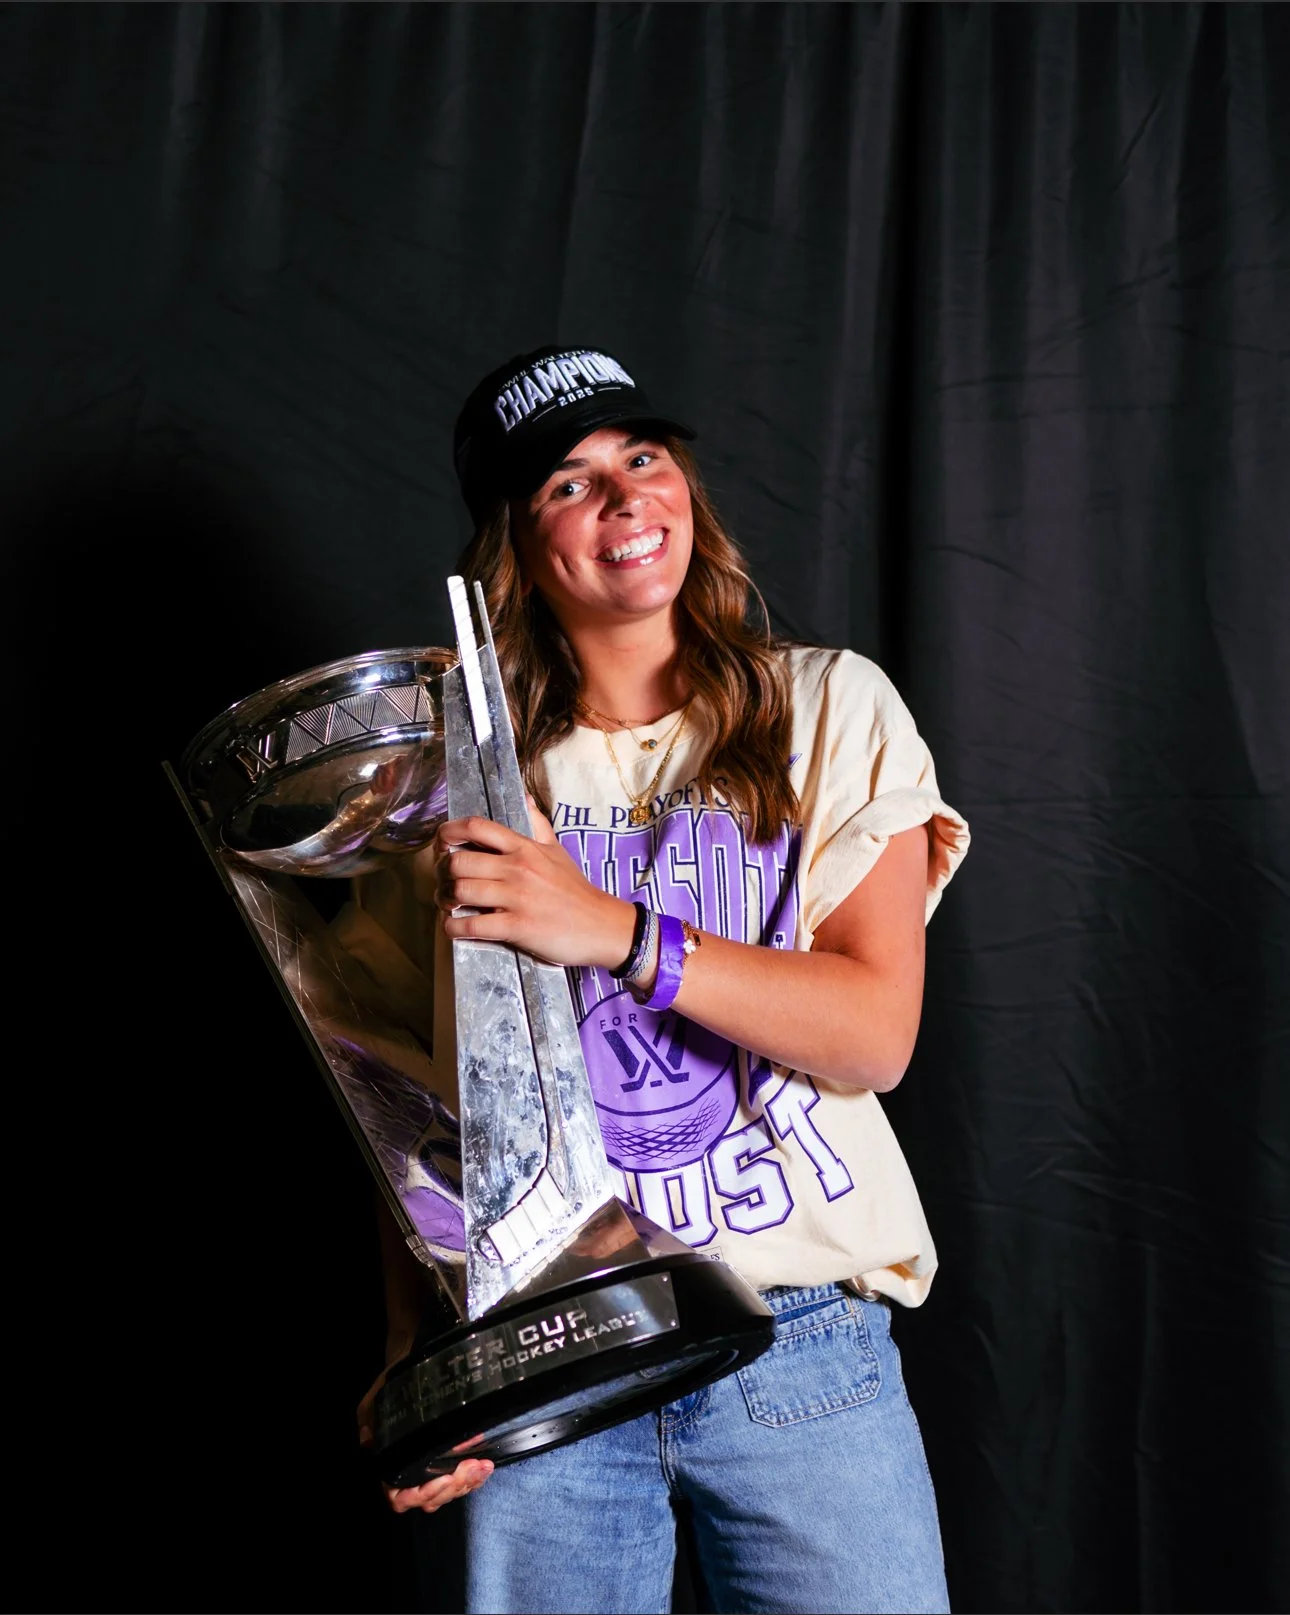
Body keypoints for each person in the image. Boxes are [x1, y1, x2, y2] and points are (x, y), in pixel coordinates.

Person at [351, 344, 970, 1615]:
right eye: (570, 485)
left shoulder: (832, 708)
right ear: (518, 549)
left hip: (799, 1336)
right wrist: (423, 1368)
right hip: (548, 1352)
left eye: (642, 457)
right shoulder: (456, 782)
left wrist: (621, 932)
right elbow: (410, 1108)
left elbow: (874, 1035)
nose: (627, 500)